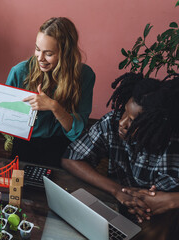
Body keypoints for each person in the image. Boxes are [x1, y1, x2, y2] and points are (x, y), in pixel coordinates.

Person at [0, 17, 95, 167]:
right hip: (25, 142)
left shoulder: (85, 76)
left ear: (66, 53)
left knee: (56, 183)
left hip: (62, 144)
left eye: (48, 53)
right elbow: (2, 117)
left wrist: (54, 107)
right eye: (37, 49)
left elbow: (77, 132)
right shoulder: (19, 71)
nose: (40, 58)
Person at [61, 72, 179, 226]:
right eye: (125, 111)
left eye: (132, 121)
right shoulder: (112, 122)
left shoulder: (174, 141)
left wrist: (171, 201)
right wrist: (118, 190)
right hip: (122, 216)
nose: (122, 123)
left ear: (155, 126)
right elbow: (71, 158)